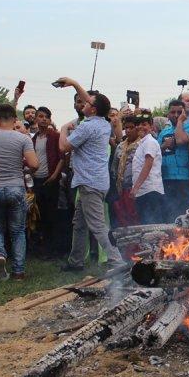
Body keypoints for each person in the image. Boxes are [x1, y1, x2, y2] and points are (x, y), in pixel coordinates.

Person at [57, 77, 124, 271]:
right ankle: (75, 262)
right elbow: (94, 101)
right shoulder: (103, 123)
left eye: (87, 103)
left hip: (89, 183)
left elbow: (63, 147)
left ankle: (117, 261)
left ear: (93, 109)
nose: (83, 103)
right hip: (95, 181)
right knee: (79, 223)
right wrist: (73, 83)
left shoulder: (88, 126)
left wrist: (63, 129)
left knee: (97, 225)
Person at [0, 104, 39, 281]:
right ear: (14, 119)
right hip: (16, 187)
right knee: (18, 231)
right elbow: (34, 164)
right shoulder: (23, 139)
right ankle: (18, 272)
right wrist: (25, 170)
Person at [156, 99, 189, 221]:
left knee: (183, 213)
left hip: (184, 178)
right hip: (166, 178)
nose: (176, 115)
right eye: (173, 112)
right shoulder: (163, 132)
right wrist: (164, 146)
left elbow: (180, 140)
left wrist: (180, 121)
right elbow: (155, 153)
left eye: (179, 112)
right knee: (168, 212)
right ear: (168, 114)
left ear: (184, 113)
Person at [31, 106, 63, 257]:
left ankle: (52, 248)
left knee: (51, 214)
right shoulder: (33, 139)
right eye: (41, 116)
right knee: (39, 214)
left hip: (51, 179)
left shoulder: (55, 136)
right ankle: (41, 247)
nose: (43, 119)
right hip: (37, 180)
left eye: (46, 117)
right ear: (36, 119)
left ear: (50, 120)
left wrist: (54, 175)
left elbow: (62, 158)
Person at [129, 113, 165, 224]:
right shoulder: (142, 143)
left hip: (150, 191)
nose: (140, 127)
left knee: (152, 227)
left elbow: (148, 165)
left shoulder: (150, 142)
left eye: (144, 124)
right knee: (146, 226)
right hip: (143, 192)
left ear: (151, 127)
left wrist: (135, 188)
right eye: (138, 124)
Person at [111, 115, 140, 227]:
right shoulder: (120, 146)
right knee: (123, 218)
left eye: (131, 127)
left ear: (137, 128)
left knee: (136, 218)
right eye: (126, 127)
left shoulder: (142, 144)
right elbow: (114, 167)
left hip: (135, 189)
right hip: (121, 189)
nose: (128, 130)